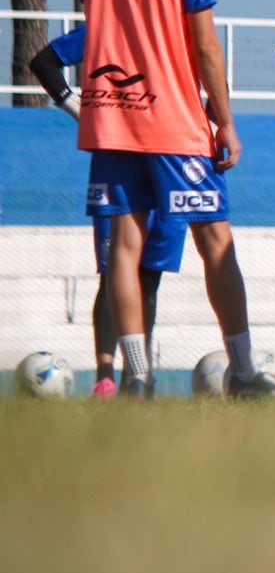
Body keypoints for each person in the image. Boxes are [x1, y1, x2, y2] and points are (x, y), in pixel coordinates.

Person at [75, 0, 275, 397]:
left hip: (112, 117)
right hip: (173, 123)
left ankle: (136, 379)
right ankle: (242, 374)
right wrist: (227, 121)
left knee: (123, 246)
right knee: (216, 241)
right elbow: (206, 46)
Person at [31, 23, 188, 398]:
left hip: (170, 162)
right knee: (112, 273)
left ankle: (140, 373)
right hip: (116, 163)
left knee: (150, 276)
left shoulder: (182, 28)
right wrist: (79, 109)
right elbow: (44, 63)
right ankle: (105, 376)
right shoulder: (106, 26)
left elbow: (207, 82)